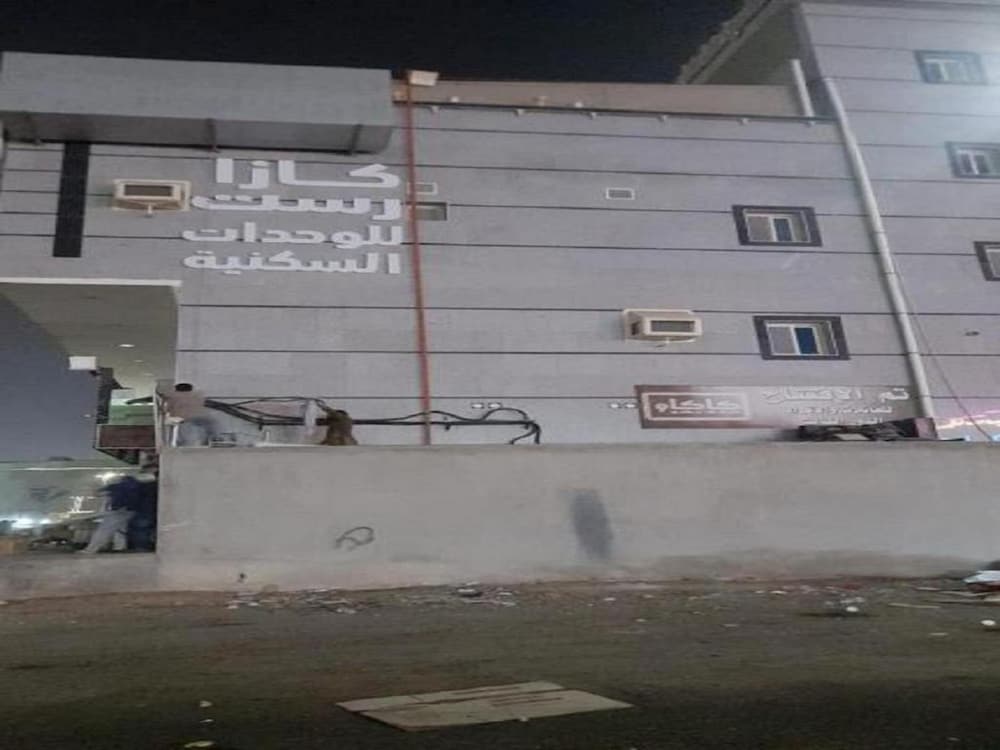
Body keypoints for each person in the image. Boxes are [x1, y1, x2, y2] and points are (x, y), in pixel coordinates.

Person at [78, 474, 144, 554]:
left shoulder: (115, 486)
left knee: (104, 529)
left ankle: (90, 549)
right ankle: (120, 547)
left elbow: (97, 493)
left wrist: (97, 491)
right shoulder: (137, 487)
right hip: (131, 511)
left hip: (118, 511)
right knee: (120, 530)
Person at [160, 382, 218, 446]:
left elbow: (166, 410)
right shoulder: (197, 395)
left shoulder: (172, 397)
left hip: (187, 422)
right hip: (200, 420)